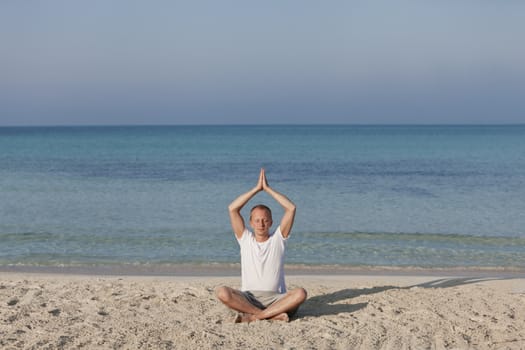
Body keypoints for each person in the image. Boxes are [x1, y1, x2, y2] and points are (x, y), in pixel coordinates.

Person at [216, 168, 307, 322]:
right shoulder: (245, 239)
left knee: (301, 293)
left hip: (277, 300)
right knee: (222, 292)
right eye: (257, 220)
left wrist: (268, 189)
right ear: (251, 223)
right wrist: (256, 189)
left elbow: (291, 208)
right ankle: (270, 315)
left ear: (271, 222)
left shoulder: (278, 239)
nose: (261, 224)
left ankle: (257, 316)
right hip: (249, 298)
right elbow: (232, 208)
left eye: (265, 220)